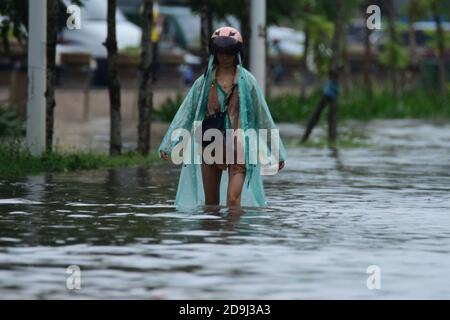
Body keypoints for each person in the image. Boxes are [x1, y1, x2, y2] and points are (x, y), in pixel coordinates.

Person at [158, 27, 287, 210]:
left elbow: (262, 116)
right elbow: (186, 113)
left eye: (229, 52)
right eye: (220, 52)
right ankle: (213, 236)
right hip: (211, 144)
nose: (224, 56)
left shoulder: (248, 82)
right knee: (211, 204)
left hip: (240, 145)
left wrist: (277, 152)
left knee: (234, 201)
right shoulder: (203, 83)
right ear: (214, 52)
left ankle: (232, 237)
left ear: (237, 53)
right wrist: (169, 145)